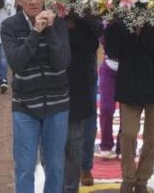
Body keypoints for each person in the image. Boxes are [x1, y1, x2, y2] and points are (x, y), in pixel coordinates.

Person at [1, 0, 71, 193]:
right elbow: (17, 63)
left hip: (57, 104)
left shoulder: (57, 24)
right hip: (25, 106)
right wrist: (35, 33)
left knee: (56, 167)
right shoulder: (10, 26)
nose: (33, 2)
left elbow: (62, 62)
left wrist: (49, 30)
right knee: (24, 167)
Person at [105, 21, 154, 193]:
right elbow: (112, 51)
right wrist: (116, 22)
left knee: (152, 138)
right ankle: (128, 178)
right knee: (128, 134)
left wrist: (146, 27)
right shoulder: (121, 21)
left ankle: (142, 180)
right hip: (129, 84)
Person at [63, 13, 101, 193]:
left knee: (87, 119)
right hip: (59, 61)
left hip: (85, 66)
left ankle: (85, 166)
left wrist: (83, 17)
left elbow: (97, 32)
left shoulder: (89, 6)